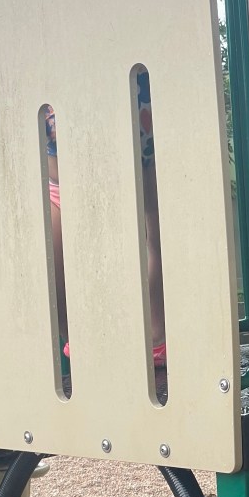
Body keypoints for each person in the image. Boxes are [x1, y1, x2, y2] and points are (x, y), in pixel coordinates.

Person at [46, 70, 167, 366]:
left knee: (155, 241)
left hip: (140, 162)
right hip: (62, 177)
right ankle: (82, 339)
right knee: (53, 268)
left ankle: (156, 337)